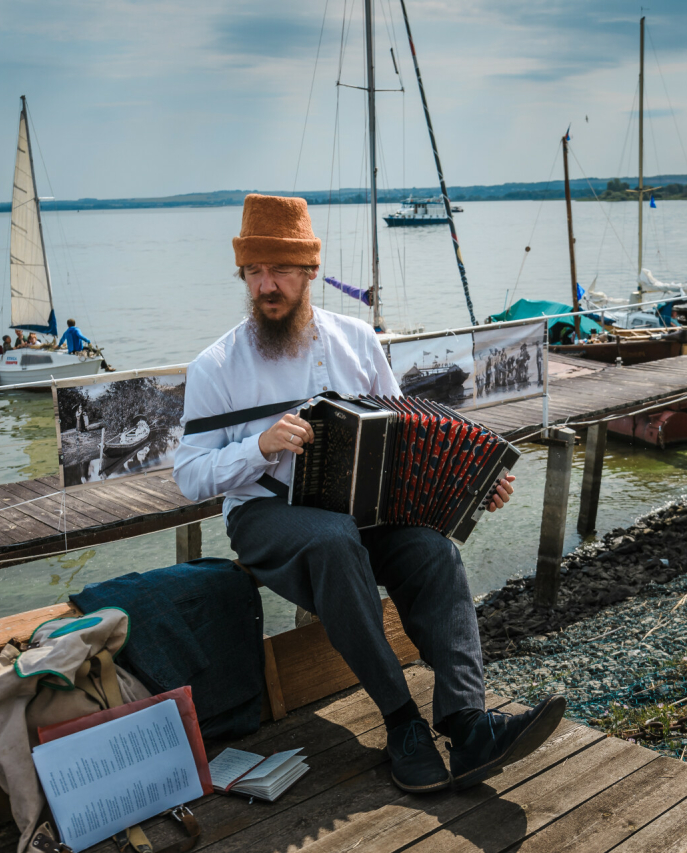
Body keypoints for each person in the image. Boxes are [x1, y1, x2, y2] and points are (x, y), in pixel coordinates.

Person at [174, 195, 564, 796]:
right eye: (254, 272)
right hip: (266, 517)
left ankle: (466, 722)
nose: (265, 285)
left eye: (279, 270)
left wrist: (473, 485)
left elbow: (408, 434)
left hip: (363, 512)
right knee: (332, 541)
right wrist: (259, 446)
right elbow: (190, 475)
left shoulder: (356, 339)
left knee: (434, 551)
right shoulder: (217, 366)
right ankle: (402, 720)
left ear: (309, 273)